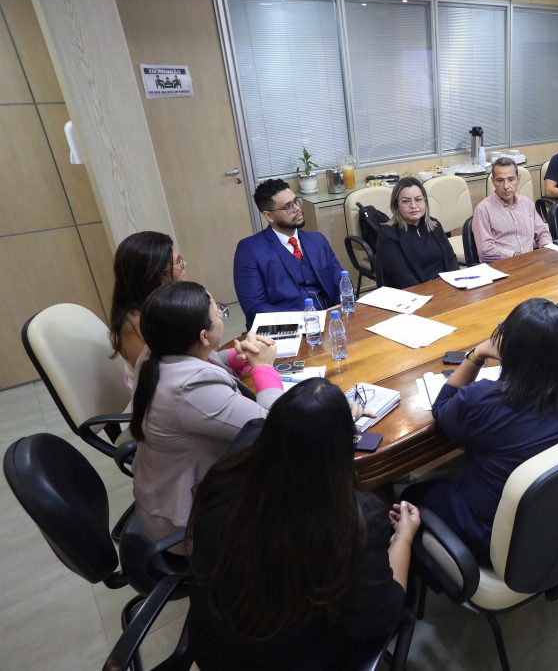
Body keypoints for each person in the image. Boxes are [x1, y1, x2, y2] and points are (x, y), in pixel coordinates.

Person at [186, 378, 419, 670]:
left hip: (213, 649)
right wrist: (404, 539)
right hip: (290, 659)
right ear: (342, 446)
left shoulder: (233, 463)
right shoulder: (352, 518)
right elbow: (380, 617)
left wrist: (322, 417)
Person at [401, 298, 558, 565]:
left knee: (410, 495)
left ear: (509, 350)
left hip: (498, 541)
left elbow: (442, 408)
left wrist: (477, 354)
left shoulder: (485, 401)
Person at [129, 281, 285, 543]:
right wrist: (264, 367)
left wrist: (238, 358)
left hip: (169, 493)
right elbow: (274, 426)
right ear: (204, 336)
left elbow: (206, 360)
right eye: (219, 313)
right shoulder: (193, 387)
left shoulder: (158, 351)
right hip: (193, 526)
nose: (222, 316)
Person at [233, 178, 345, 328]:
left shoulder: (317, 241)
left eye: (296, 201)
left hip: (331, 320)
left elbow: (341, 281)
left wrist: (341, 309)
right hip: (287, 329)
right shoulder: (250, 250)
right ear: (269, 216)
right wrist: (305, 320)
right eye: (288, 207)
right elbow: (255, 308)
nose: (297, 208)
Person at [108, 231, 186, 389]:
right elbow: (157, 386)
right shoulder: (134, 325)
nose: (184, 265)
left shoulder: (165, 303)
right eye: (178, 263)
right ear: (154, 276)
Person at [375, 176, 459, 289]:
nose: (414, 206)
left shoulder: (434, 225)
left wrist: (456, 283)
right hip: (413, 295)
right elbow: (402, 276)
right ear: (396, 205)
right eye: (406, 201)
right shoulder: (388, 235)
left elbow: (451, 258)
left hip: (445, 288)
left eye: (418, 199)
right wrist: (430, 292)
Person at [472, 157, 552, 262]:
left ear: (518, 179)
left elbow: (542, 232)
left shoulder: (526, 203)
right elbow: (485, 251)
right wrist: (516, 256)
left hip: (530, 263)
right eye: (500, 180)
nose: (506, 186)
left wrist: (547, 248)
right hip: (503, 267)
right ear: (493, 181)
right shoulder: (483, 210)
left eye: (511, 179)